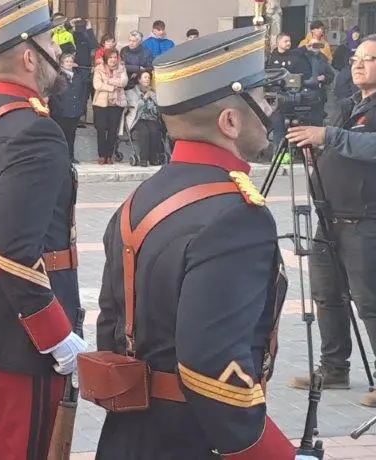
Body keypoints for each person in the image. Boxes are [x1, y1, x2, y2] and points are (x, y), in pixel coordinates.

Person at [93, 26, 314, 459]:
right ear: (229, 121)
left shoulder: (142, 198)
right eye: (262, 99)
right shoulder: (236, 216)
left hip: (131, 434)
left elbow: (112, 328)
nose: (271, 109)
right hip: (194, 439)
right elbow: (212, 368)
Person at [0, 1, 85, 457]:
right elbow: (14, 251)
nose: (58, 51)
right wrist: (55, 334)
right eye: (50, 43)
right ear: (30, 57)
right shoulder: (35, 131)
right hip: (22, 336)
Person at [286, 38, 376, 407]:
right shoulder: (349, 104)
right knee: (327, 297)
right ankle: (334, 368)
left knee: (369, 302)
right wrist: (317, 151)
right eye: (356, 59)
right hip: (329, 217)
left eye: (369, 60)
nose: (359, 65)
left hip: (364, 220)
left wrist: (329, 136)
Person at [50, 53, 87, 164]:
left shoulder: (78, 76)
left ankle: (71, 156)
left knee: (72, 135)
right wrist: (59, 107)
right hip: (61, 111)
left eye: (71, 61)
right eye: (67, 61)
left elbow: (83, 93)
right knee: (61, 135)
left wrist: (81, 106)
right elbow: (54, 95)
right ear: (62, 63)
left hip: (75, 110)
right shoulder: (58, 76)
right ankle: (61, 157)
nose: (69, 64)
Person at [92, 48, 128, 164]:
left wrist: (108, 81)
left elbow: (123, 82)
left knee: (113, 130)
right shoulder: (99, 69)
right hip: (101, 103)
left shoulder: (121, 68)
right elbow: (97, 85)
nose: (113, 60)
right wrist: (112, 87)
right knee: (101, 129)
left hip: (116, 104)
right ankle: (102, 155)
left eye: (115, 57)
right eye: (111, 57)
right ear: (106, 58)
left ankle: (109, 155)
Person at [124, 71, 164, 166]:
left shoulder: (153, 92)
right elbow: (135, 107)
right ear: (139, 80)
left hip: (151, 118)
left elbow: (159, 107)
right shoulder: (131, 92)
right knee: (145, 132)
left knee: (154, 132)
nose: (147, 79)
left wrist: (152, 96)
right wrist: (145, 98)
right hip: (138, 118)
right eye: (145, 77)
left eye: (149, 78)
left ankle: (154, 158)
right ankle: (143, 159)